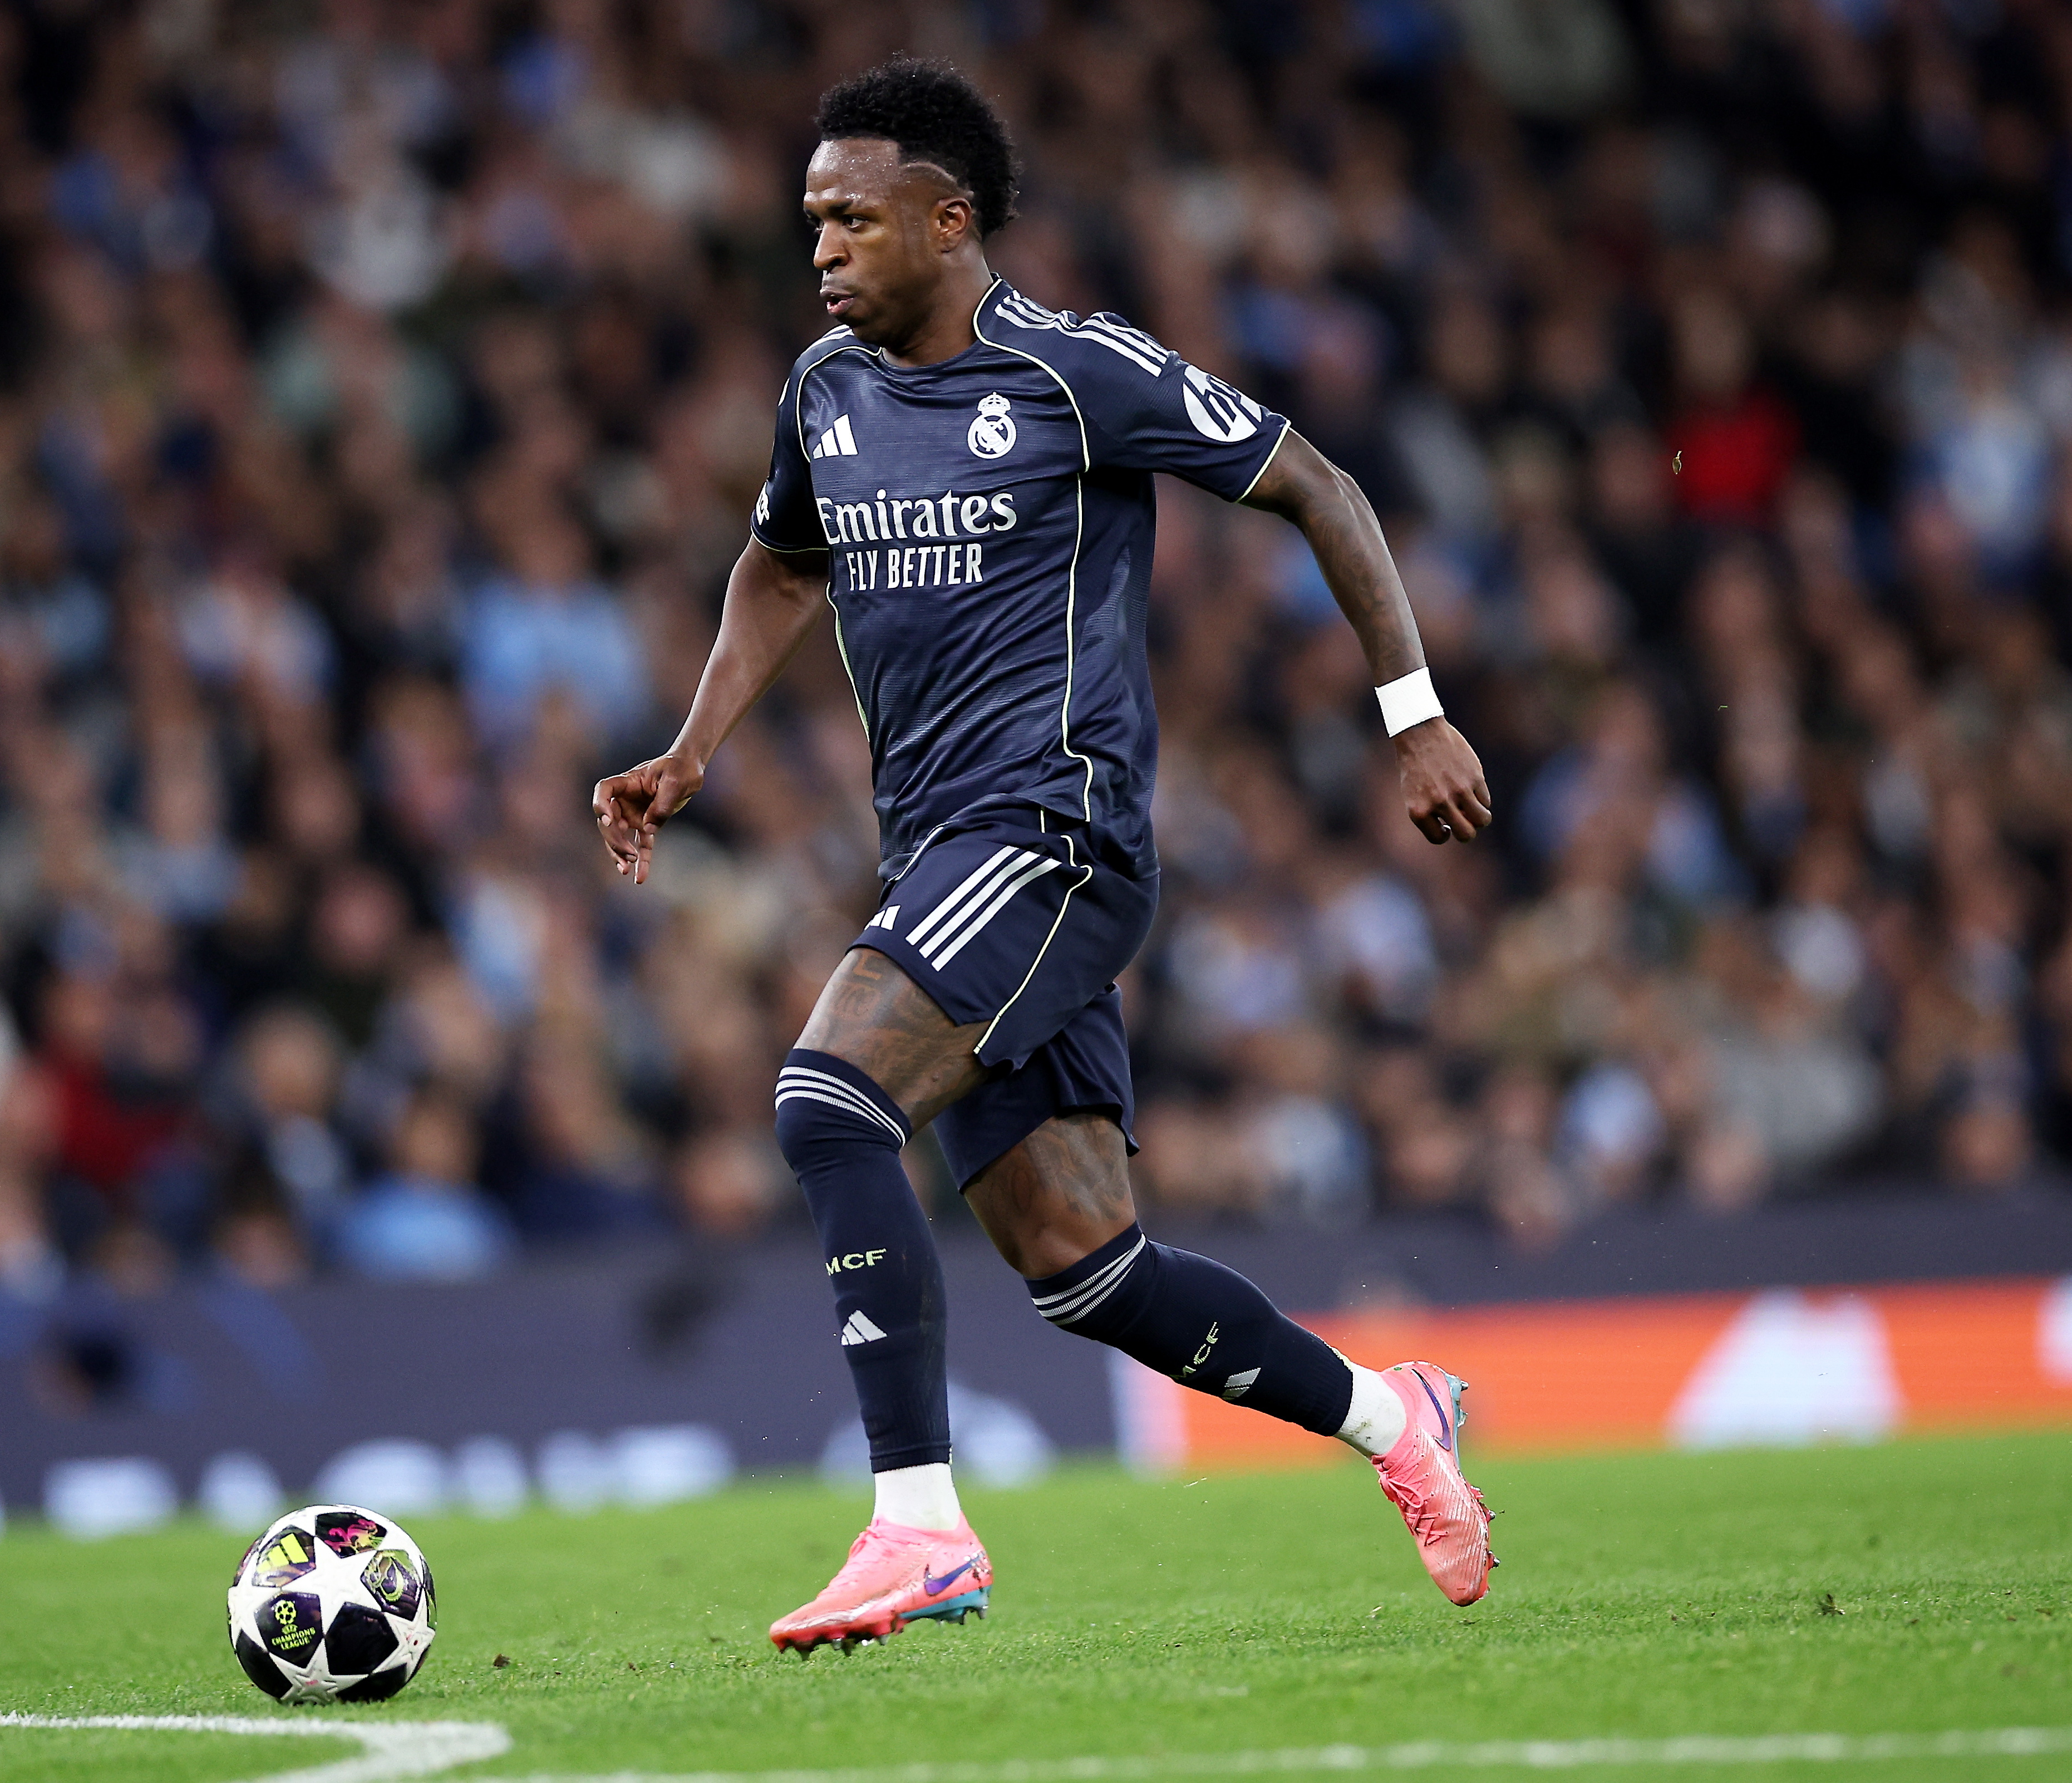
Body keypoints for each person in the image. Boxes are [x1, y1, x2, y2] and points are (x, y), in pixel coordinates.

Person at [593, 58, 1500, 1654]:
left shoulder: (1077, 372)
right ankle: (1393, 1415)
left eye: (853, 218)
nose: (822, 247)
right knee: (1084, 1267)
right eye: (811, 219)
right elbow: (779, 568)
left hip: (1056, 832)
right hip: (939, 853)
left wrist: (1412, 715)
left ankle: (917, 1526)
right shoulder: (823, 390)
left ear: (950, 222)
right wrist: (695, 746)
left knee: (825, 1100)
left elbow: (1321, 485)